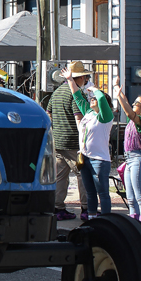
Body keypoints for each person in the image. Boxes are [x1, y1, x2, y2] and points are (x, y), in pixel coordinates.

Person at [62, 67, 113, 218]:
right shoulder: (89, 113)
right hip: (85, 158)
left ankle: (106, 220)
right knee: (89, 192)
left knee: (102, 193)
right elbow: (77, 96)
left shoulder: (105, 117)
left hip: (99, 160)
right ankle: (91, 217)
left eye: (94, 99)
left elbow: (102, 99)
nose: (91, 99)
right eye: (91, 98)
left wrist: (96, 90)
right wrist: (70, 79)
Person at [46, 61, 89, 221]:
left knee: (60, 176)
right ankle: (86, 208)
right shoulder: (76, 93)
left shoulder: (56, 92)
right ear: (80, 77)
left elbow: (48, 114)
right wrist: (84, 142)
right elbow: (79, 119)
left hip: (57, 141)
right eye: (85, 76)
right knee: (82, 175)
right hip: (73, 142)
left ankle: (58, 209)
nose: (85, 79)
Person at [113, 78, 141, 228]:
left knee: (140, 197)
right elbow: (126, 104)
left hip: (139, 159)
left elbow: (128, 111)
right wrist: (116, 88)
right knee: (131, 198)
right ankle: (135, 228)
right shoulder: (136, 119)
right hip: (130, 160)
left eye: (136, 104)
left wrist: (119, 95)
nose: (133, 106)